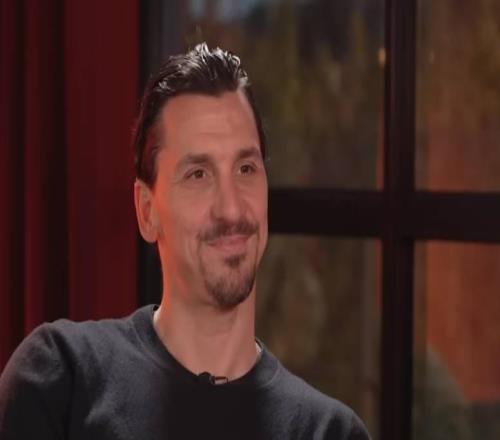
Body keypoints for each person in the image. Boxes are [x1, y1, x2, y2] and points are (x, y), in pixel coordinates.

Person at [0, 43, 371, 439]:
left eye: (246, 168)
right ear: (147, 211)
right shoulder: (61, 381)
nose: (231, 209)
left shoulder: (329, 432)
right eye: (198, 174)